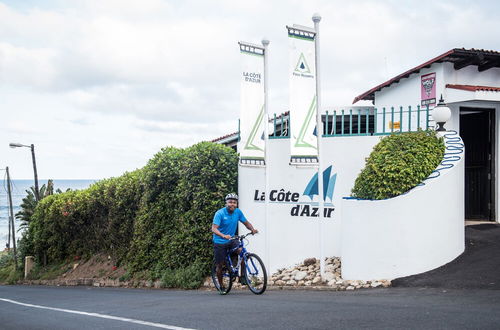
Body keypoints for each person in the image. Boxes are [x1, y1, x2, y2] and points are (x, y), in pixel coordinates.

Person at [212, 193, 258, 289]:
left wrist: (252, 229)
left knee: (242, 252)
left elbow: (246, 223)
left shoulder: (238, 212)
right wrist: (223, 235)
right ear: (226, 203)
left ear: (236, 204)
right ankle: (221, 285)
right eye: (230, 202)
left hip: (232, 239)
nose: (232, 204)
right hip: (220, 241)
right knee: (219, 265)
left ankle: (243, 277)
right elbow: (214, 229)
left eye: (234, 202)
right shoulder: (219, 213)